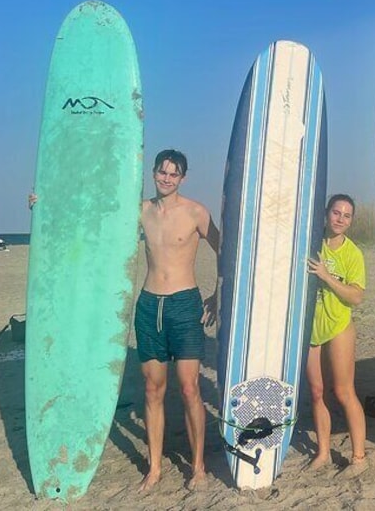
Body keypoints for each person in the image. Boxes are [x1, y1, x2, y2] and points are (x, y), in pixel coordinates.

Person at [134, 149, 219, 492]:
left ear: (182, 177)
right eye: (162, 172)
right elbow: (94, 216)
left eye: (173, 174)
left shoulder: (196, 212)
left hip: (185, 305)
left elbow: (225, 251)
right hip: (149, 305)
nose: (166, 178)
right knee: (153, 389)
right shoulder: (140, 211)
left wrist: (218, 294)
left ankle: (197, 466)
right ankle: (154, 468)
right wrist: (44, 203)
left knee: (189, 388)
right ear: (154, 173)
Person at [305, 194, 367, 474]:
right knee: (317, 392)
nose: (340, 219)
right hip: (312, 327)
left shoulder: (352, 253)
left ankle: (359, 458)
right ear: (326, 213)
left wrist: (327, 277)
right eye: (336, 213)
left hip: (339, 324)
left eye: (346, 215)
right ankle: (323, 452)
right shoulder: (311, 241)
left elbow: (356, 297)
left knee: (343, 391)